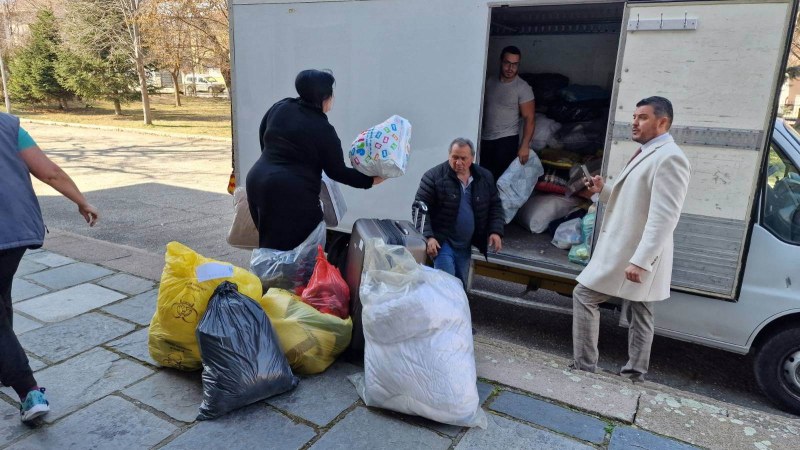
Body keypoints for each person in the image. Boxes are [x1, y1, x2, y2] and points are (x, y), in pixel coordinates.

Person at [571, 96, 691, 382]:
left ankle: (585, 367)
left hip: (636, 252)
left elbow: (664, 216)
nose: (634, 123)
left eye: (642, 117)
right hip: (635, 251)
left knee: (584, 295)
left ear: (663, 122)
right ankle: (635, 372)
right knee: (641, 310)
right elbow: (636, 201)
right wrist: (604, 190)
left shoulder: (671, 158)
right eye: (634, 117)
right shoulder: (648, 151)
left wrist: (640, 261)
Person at [1, 113, 99, 423]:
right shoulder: (7, 125)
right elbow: (50, 172)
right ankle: (7, 360)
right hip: (16, 231)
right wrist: (81, 201)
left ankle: (29, 390)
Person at [246, 70, 383, 250]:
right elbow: (337, 172)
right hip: (291, 193)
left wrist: (274, 165)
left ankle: (266, 278)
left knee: (271, 248)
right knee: (300, 255)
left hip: (258, 181)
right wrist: (371, 180)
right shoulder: (323, 129)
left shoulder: (281, 106)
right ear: (324, 97)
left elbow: (263, 134)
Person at [415, 138, 504, 288]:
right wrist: (429, 236)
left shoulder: (484, 177)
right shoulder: (434, 177)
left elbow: (495, 205)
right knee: (447, 286)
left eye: (463, 158)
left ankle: (456, 311)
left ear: (472, 158)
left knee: (461, 285)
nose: (458, 162)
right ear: (449, 155)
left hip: (465, 246)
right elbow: (419, 208)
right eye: (455, 157)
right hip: (442, 243)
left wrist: (495, 231)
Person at [480, 45, 536, 183]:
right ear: (501, 61)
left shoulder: (523, 88)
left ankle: (498, 205)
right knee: (483, 179)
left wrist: (525, 146)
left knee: (500, 181)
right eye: (507, 63)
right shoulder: (490, 82)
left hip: (506, 140)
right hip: (485, 139)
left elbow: (530, 118)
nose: (510, 68)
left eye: (515, 64)